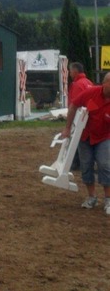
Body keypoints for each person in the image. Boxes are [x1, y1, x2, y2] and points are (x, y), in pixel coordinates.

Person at [61, 72, 110, 215]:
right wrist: (67, 128)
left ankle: (108, 199)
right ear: (105, 83)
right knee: (86, 165)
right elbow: (73, 106)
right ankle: (92, 197)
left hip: (104, 137)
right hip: (84, 137)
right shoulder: (91, 93)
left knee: (105, 165)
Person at [67, 62, 93, 170]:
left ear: (75, 72)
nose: (69, 73)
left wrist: (71, 120)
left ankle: (74, 163)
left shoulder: (77, 85)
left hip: (80, 117)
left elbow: (75, 104)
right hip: (89, 117)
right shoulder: (88, 82)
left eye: (70, 71)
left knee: (75, 139)